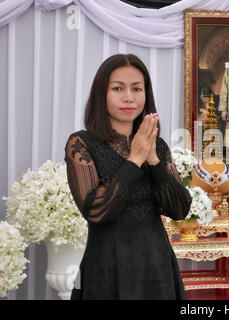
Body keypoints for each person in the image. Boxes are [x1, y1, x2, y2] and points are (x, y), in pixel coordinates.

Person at [64, 54, 192, 300]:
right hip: (106, 268)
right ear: (102, 93)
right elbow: (96, 212)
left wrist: (153, 160)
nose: (129, 97)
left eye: (137, 89)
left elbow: (179, 210)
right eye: (117, 88)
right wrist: (134, 160)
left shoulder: (158, 145)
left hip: (157, 266)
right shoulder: (81, 143)